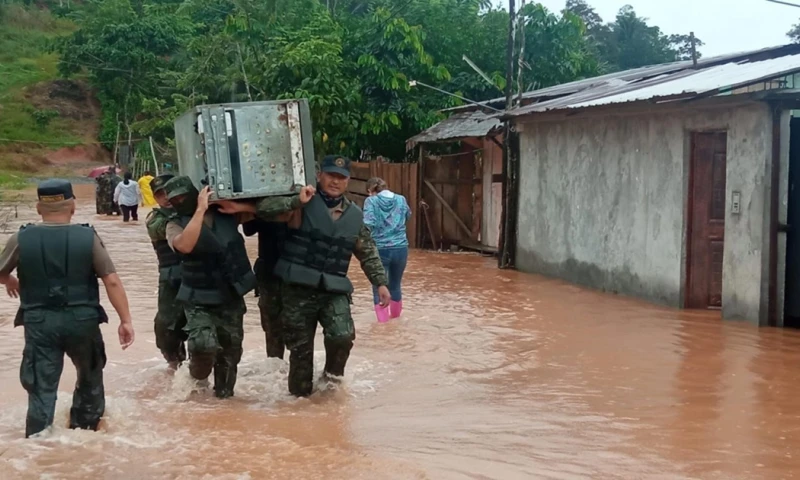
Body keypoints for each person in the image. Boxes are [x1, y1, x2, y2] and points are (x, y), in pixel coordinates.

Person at [218, 155, 390, 397]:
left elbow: (367, 251)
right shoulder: (302, 203)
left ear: (348, 181)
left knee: (342, 335)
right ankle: (300, 408)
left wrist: (380, 283)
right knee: (300, 354)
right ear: (319, 175)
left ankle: (330, 381)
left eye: (341, 178)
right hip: (297, 290)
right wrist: (294, 202)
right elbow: (265, 211)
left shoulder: (355, 215)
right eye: (331, 176)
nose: (335, 182)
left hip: (333, 290)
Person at [0, 179, 135, 438]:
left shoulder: (22, 237)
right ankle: (85, 438)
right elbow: (112, 280)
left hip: (39, 323)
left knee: (41, 387)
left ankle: (39, 448)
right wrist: (125, 320)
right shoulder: (88, 237)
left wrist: (10, 280)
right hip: (83, 321)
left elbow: (0, 272)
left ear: (39, 208)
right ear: (73, 206)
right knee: (90, 380)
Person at [162, 176, 259, 398]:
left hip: (229, 294)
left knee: (230, 355)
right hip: (198, 297)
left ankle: (222, 409)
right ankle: (194, 382)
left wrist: (238, 206)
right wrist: (199, 210)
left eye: (183, 196)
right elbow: (185, 245)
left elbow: (265, 213)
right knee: (202, 344)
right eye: (174, 199)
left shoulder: (226, 215)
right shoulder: (173, 224)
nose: (179, 201)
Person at [145, 173, 186, 368]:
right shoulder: (155, 219)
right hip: (171, 280)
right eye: (160, 194)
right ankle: (174, 366)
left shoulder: (191, 212)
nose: (166, 197)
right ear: (155, 198)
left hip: (197, 276)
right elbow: (163, 229)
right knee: (166, 328)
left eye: (169, 192)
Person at [364, 177, 412, 322]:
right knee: (396, 285)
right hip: (401, 248)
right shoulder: (401, 199)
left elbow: (368, 223)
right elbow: (408, 216)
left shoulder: (371, 201)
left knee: (379, 287)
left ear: (370, 191)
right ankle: (395, 322)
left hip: (380, 249)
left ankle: (383, 326)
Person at [242, 218, 288, 359]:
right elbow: (248, 229)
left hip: (299, 272)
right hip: (270, 270)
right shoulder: (262, 203)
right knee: (272, 328)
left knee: (299, 328)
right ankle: (276, 373)